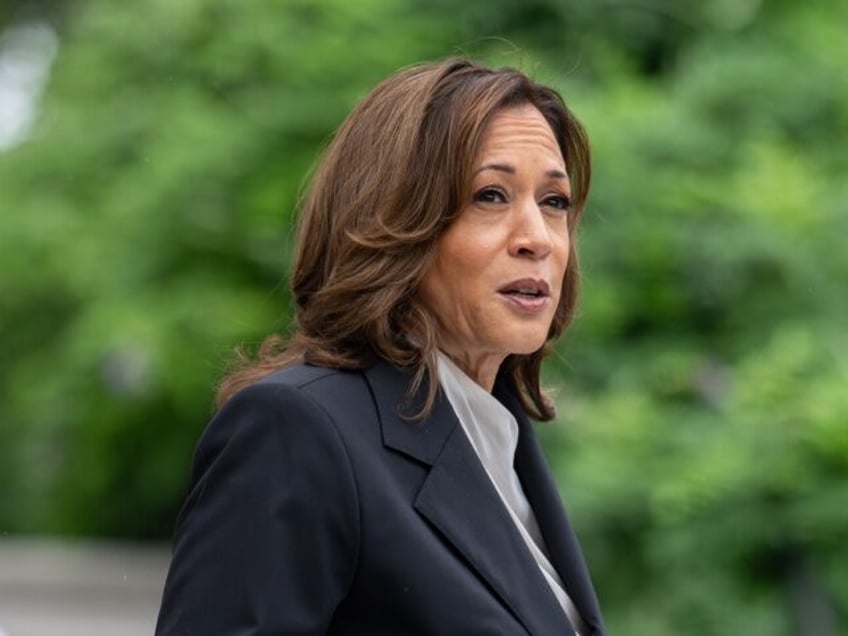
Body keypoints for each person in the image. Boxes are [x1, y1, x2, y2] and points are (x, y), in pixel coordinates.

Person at [155, 57, 605, 636]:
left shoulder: (502, 441)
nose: (538, 238)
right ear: (395, 220)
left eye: (554, 202)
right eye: (491, 196)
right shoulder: (296, 431)